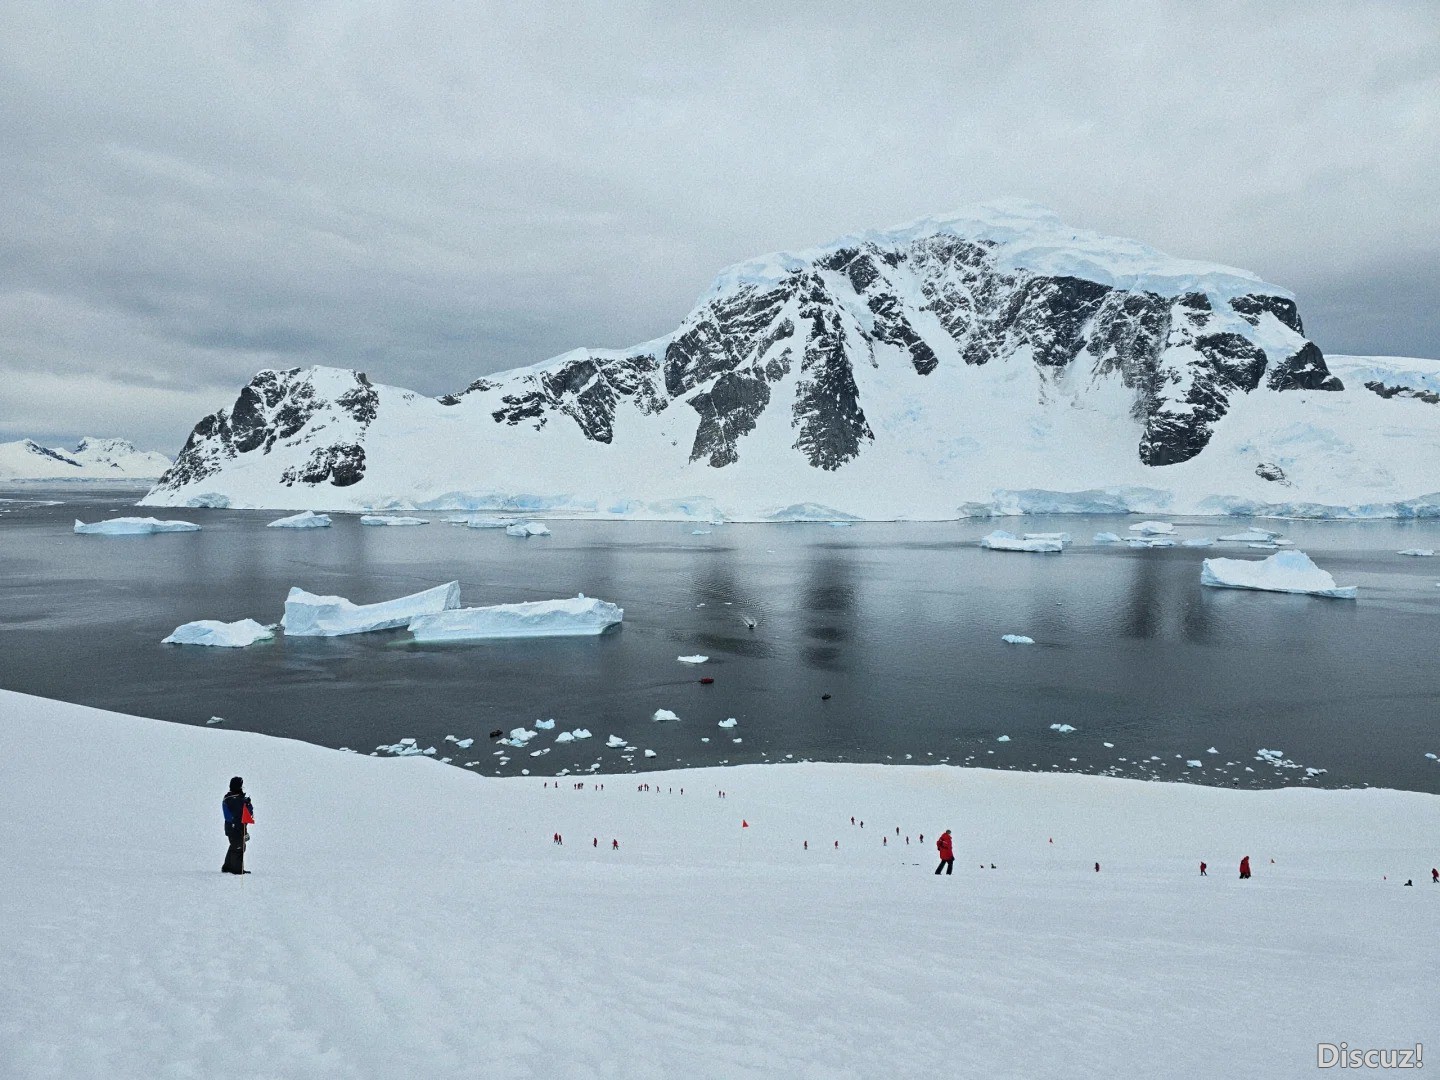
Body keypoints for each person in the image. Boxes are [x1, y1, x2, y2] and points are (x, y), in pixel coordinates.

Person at [221, 776, 254, 875]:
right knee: (238, 847)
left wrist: (246, 802)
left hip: (233, 827)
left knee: (235, 845)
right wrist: (243, 830)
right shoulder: (234, 799)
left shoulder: (233, 798)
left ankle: (227, 867)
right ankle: (236, 869)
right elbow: (238, 816)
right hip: (235, 827)